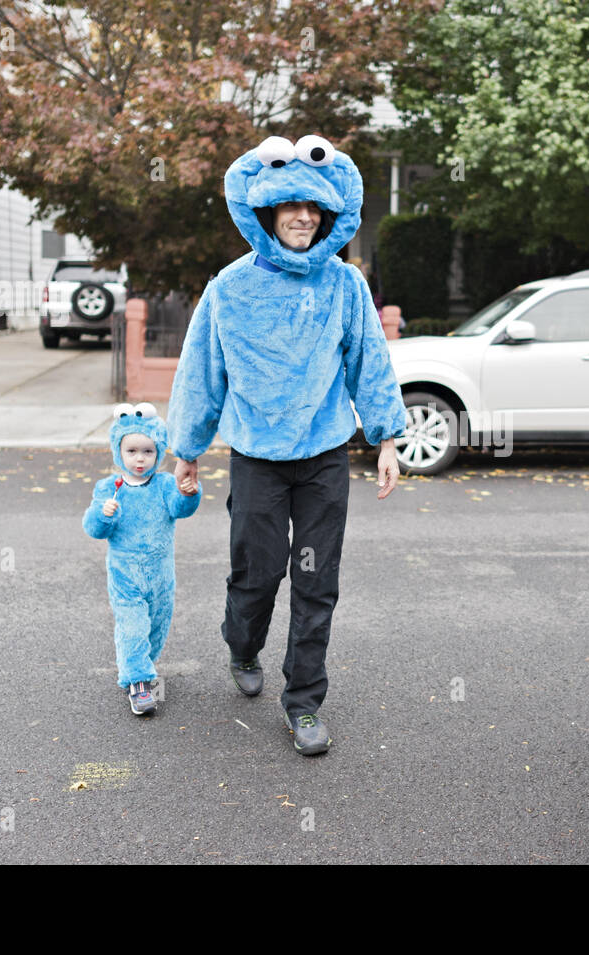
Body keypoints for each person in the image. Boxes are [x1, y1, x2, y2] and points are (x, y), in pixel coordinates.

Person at [168, 134, 407, 756]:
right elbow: (202, 370)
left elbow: (369, 361)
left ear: (328, 215)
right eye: (290, 206)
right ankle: (241, 643)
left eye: (314, 208)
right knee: (257, 573)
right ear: (268, 213)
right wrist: (187, 450)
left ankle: (303, 701)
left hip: (325, 456)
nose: (303, 216)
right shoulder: (229, 288)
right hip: (256, 459)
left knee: (316, 579)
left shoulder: (346, 285)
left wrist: (385, 436)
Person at [83, 404, 201, 715]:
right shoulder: (109, 487)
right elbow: (93, 529)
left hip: (161, 574)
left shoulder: (163, 484)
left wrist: (189, 493)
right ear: (118, 450)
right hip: (125, 575)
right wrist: (102, 514)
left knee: (157, 625)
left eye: (148, 451)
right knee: (132, 625)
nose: (139, 458)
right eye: (132, 450)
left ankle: (142, 663)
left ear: (158, 452)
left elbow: (179, 509)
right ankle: (137, 682)